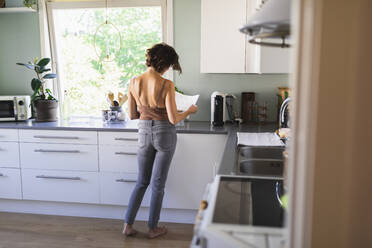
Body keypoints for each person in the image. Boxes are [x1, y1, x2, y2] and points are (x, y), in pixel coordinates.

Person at [123, 43, 198, 239]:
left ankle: (128, 226)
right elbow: (173, 119)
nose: (168, 70)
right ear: (164, 63)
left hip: (143, 133)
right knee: (157, 184)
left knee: (141, 182)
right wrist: (189, 111)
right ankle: (152, 228)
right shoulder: (166, 85)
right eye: (170, 65)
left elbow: (132, 114)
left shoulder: (133, 82)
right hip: (164, 133)